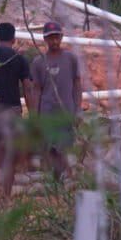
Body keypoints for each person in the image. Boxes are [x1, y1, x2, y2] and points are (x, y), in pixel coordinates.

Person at [31, 21, 82, 177]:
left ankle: (63, 181)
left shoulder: (71, 59)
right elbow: (36, 89)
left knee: (65, 147)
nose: (54, 41)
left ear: (61, 37)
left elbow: (77, 85)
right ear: (45, 39)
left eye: (56, 37)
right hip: (47, 114)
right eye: (50, 38)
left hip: (67, 112)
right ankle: (54, 182)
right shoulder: (38, 62)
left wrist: (78, 110)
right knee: (49, 149)